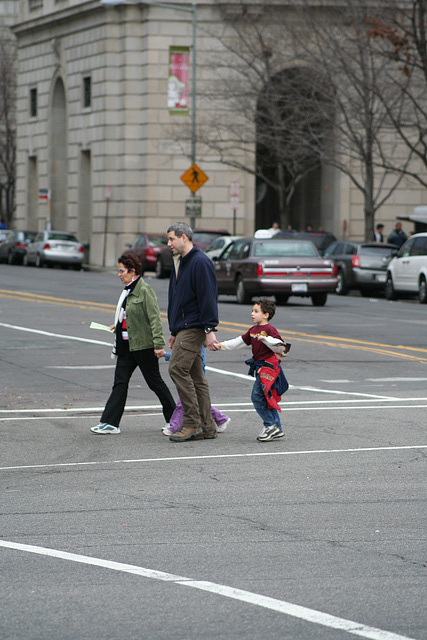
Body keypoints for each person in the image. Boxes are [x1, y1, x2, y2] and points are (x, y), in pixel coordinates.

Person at [91, 252, 176, 434]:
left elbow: (154, 319)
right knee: (120, 383)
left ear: (133, 271)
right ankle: (110, 423)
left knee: (155, 383)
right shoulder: (127, 291)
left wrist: (158, 345)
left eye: (122, 271)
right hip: (126, 347)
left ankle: (175, 420)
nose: (119, 274)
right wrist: (119, 325)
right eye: (119, 271)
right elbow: (128, 314)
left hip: (144, 346)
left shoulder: (145, 290)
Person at [166, 222, 219, 442]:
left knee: (177, 368)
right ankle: (207, 425)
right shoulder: (180, 262)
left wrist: (209, 329)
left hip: (195, 326)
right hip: (184, 327)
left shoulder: (200, 262)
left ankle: (191, 422)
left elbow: (208, 297)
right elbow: (178, 300)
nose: (168, 244)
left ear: (184, 238)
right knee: (197, 377)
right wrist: (174, 330)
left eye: (171, 239)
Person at [213, 297, 288, 442]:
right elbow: (239, 342)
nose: (252, 314)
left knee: (257, 397)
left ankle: (270, 425)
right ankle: (276, 427)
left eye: (256, 311)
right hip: (260, 367)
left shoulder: (269, 329)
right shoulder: (253, 330)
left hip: (268, 369)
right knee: (266, 398)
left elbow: (281, 348)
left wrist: (266, 339)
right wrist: (221, 345)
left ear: (266, 315)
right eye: (252, 311)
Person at [158, 347, 230, 435]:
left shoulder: (195, 341)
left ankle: (174, 427)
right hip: (188, 375)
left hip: (193, 377)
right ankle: (221, 419)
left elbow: (192, 359)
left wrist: (166, 354)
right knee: (198, 402)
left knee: (184, 402)